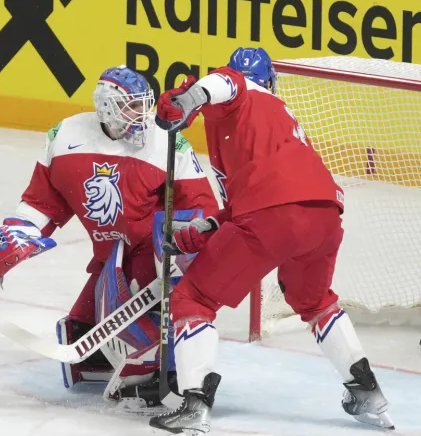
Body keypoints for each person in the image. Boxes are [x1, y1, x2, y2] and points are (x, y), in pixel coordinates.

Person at [150, 47, 393, 433]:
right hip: (324, 214)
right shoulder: (279, 115)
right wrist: (206, 228)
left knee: (193, 299)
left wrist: (192, 97)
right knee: (315, 301)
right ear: (272, 81)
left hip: (272, 216)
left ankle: (195, 406)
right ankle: (368, 391)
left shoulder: (237, 93)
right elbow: (242, 204)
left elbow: (227, 82)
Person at [0, 66, 217, 403]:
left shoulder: (167, 140)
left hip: (154, 253)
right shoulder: (66, 135)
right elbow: (43, 201)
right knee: (80, 330)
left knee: (141, 322)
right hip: (111, 256)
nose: (143, 115)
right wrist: (19, 230)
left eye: (145, 104)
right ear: (107, 107)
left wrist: (185, 258)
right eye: (132, 107)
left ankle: (163, 373)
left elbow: (200, 208)